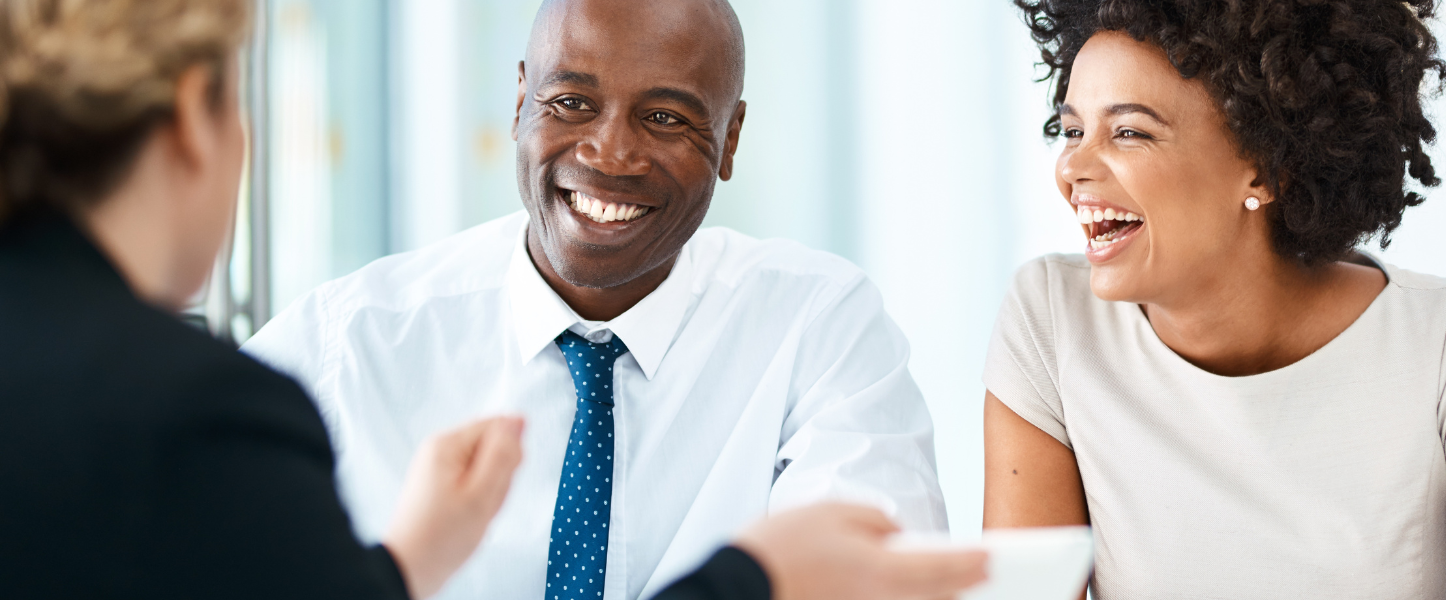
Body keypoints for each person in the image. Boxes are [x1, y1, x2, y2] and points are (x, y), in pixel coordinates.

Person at [0, 1, 986, 599]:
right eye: (569, 102)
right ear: (518, 100)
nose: (609, 151)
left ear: (731, 142)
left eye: (669, 117)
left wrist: (402, 568)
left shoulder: (816, 326)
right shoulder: (336, 349)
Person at [983, 1, 1446, 599]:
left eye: (1129, 132)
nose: (1073, 167)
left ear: (1265, 168)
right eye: (1072, 130)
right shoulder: (1053, 323)